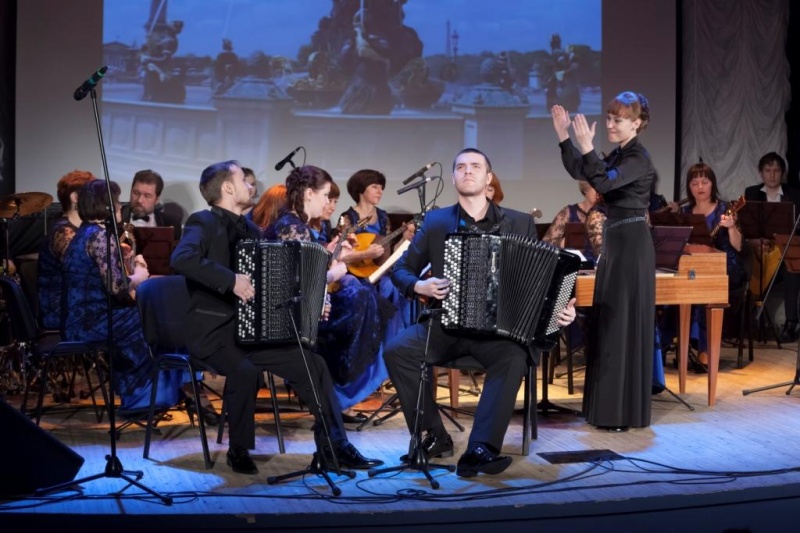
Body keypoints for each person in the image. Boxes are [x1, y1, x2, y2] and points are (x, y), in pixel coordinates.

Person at [171, 160, 382, 475]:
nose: (251, 185)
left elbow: (272, 282)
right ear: (227, 188)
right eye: (244, 181)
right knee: (244, 371)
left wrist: (310, 302)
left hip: (251, 332)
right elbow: (182, 258)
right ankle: (238, 449)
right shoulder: (202, 221)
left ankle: (334, 446)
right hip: (214, 332)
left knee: (313, 364)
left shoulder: (252, 230)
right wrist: (230, 280)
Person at [384, 148, 577, 478]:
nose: (467, 171)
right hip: (446, 325)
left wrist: (560, 312)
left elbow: (540, 280)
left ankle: (481, 449)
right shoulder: (436, 222)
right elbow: (401, 269)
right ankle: (434, 435)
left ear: (489, 178)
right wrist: (420, 286)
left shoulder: (519, 221)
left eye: (475, 166)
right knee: (397, 350)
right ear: (454, 178)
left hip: (499, 333)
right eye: (461, 167)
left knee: (514, 356)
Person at [551, 91, 655, 431]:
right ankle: (606, 410)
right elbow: (584, 172)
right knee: (609, 323)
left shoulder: (638, 158)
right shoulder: (620, 154)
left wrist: (586, 146)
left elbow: (605, 183)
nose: (610, 124)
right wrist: (565, 138)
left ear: (637, 123)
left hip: (632, 244)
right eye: (609, 118)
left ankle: (621, 412)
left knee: (621, 323)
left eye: (617, 119)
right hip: (617, 240)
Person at [264, 166, 391, 425]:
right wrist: (333, 274)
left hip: (299, 310)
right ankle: (339, 396)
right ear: (309, 193)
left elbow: (306, 268)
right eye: (325, 195)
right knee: (360, 304)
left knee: (364, 299)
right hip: (287, 318)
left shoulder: (294, 224)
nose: (327, 203)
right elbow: (297, 283)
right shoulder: (292, 226)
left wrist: (332, 251)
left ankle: (338, 398)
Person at [61, 180, 185, 413]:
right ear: (105, 205)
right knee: (155, 318)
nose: (120, 206)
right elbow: (117, 288)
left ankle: (149, 392)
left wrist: (127, 264)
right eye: (116, 201)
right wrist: (139, 276)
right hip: (90, 323)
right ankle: (148, 394)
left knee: (146, 315)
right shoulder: (100, 236)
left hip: (80, 320)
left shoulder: (85, 233)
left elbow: (103, 280)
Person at [678, 162, 748, 360]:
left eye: (705, 182)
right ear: (689, 187)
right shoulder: (684, 213)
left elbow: (739, 246)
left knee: (703, 288)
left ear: (713, 184)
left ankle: (705, 350)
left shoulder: (725, 209)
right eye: (694, 183)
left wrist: (731, 227)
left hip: (724, 267)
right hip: (693, 267)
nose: (700, 187)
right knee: (673, 288)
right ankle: (675, 345)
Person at [743, 152, 800, 342]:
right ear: (761, 173)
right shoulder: (751, 193)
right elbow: (745, 226)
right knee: (747, 264)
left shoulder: (795, 195)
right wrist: (755, 241)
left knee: (793, 269)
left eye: (776, 170)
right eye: (768, 170)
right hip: (761, 252)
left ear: (782, 173)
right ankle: (752, 320)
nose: (772, 174)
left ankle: (791, 323)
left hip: (784, 253)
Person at [37, 170, 97, 330]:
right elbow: (87, 271)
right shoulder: (63, 233)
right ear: (75, 197)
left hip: (79, 305)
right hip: (61, 312)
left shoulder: (82, 230)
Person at [542, 180, 604, 264]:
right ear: (585, 190)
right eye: (596, 189)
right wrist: (563, 244)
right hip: (575, 266)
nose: (600, 193)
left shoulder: (608, 213)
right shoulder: (568, 212)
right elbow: (545, 246)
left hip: (601, 267)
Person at [121, 169, 182, 241]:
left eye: (147, 196)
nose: (139, 200)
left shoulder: (170, 224)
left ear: (157, 199)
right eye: (136, 193)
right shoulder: (115, 218)